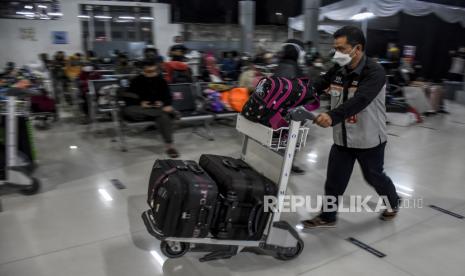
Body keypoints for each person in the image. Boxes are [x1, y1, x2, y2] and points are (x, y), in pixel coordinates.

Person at [302, 26, 400, 228]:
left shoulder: (374, 72)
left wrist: (331, 115)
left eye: (341, 48)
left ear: (358, 48)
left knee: (374, 177)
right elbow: (317, 85)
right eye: (334, 48)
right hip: (342, 139)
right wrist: (290, 93)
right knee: (334, 181)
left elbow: (361, 100)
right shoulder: (338, 69)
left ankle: (393, 201)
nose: (336, 53)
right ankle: (327, 217)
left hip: (369, 139)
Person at [124, 59, 179, 158]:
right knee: (129, 110)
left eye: (155, 71)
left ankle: (169, 146)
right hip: (141, 110)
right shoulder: (136, 81)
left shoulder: (161, 81)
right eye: (149, 71)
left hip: (156, 109)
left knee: (164, 117)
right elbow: (128, 98)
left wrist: (163, 103)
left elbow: (168, 97)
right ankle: (169, 113)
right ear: (143, 70)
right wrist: (140, 103)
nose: (153, 73)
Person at [273, 39, 307, 175]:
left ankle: (276, 162)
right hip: (292, 112)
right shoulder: (297, 70)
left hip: (275, 110)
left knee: (279, 138)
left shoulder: (279, 67)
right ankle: (288, 165)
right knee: (291, 140)